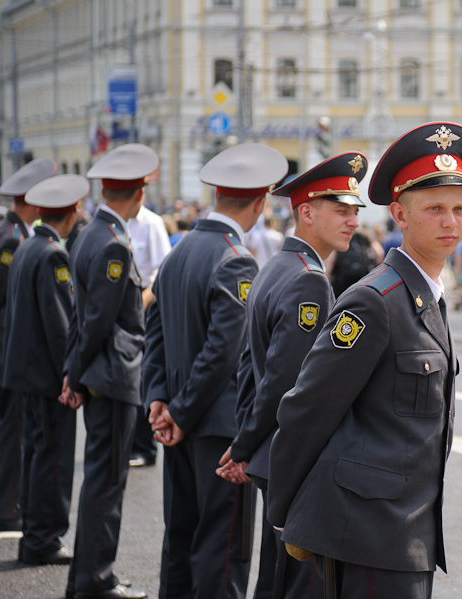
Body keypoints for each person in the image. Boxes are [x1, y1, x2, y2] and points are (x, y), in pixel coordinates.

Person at [268, 122, 462, 598]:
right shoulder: (375, 301)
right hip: (368, 534)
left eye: (459, 209)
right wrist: (284, 516)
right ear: (399, 215)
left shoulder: (427, 297)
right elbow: (307, 408)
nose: (451, 222)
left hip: (407, 535)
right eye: (434, 209)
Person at [217, 152, 367, 598]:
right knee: (297, 585)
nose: (353, 222)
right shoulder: (310, 281)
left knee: (278, 577)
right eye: (341, 210)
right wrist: (244, 447)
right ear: (306, 211)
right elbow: (285, 381)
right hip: (293, 455)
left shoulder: (276, 267)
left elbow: (251, 368)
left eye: (355, 211)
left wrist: (247, 440)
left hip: (270, 450)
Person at [143, 142, 288, 599]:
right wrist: (181, 413)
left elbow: (156, 333)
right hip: (217, 430)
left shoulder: (178, 252)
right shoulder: (236, 259)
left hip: (180, 422)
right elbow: (223, 351)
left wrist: (160, 400)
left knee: (180, 536)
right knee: (222, 549)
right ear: (260, 203)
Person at [63, 143, 154, 599]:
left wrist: (71, 371)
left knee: (100, 480)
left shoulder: (88, 234)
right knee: (107, 483)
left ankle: (83, 577)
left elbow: (80, 319)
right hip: (113, 374)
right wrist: (76, 375)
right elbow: (98, 320)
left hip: (97, 371)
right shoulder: (114, 244)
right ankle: (96, 579)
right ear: (138, 194)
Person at [3, 174, 88, 567]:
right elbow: (60, 326)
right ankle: (44, 539)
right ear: (70, 214)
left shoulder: (28, 246)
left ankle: (33, 535)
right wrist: (70, 374)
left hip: (24, 371)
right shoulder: (54, 254)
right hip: (46, 375)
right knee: (51, 459)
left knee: (36, 454)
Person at [0, 157, 57, 531]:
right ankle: (4, 510)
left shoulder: (10, 232)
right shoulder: (13, 238)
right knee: (12, 431)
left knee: (8, 427)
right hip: (7, 343)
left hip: (3, 342)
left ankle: (3, 506)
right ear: (35, 203)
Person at [126, 202, 171, 468]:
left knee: (143, 375)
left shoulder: (151, 223)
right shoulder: (120, 222)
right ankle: (130, 442)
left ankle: (144, 447)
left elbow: (161, 271)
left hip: (145, 303)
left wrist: (141, 303)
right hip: (125, 304)